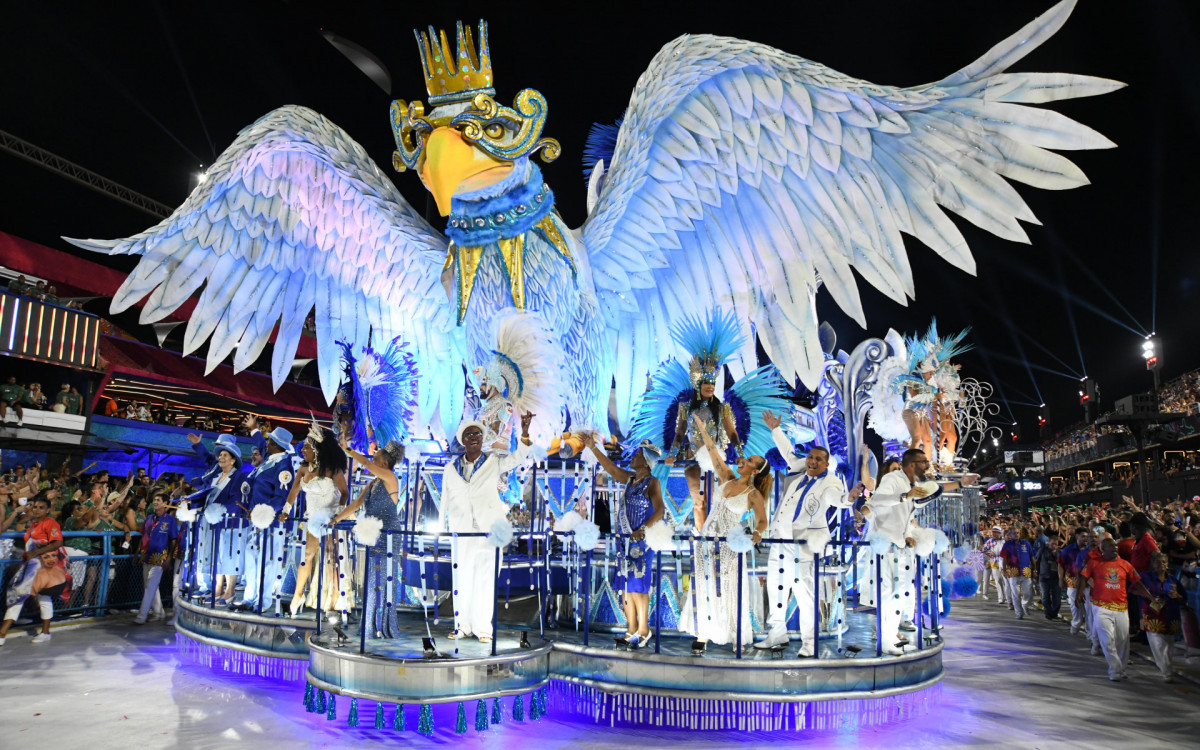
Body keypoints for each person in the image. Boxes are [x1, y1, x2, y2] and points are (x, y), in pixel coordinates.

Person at [757, 409, 862, 655]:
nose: (812, 462)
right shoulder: (800, 471)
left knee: (805, 594)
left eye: (818, 460)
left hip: (804, 545)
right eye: (810, 458)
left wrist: (849, 498)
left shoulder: (830, 482)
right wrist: (775, 429)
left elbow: (838, 498)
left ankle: (809, 643)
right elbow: (787, 452)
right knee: (776, 586)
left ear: (827, 464)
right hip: (780, 539)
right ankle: (777, 634)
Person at [439, 413, 535, 643]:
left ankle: (484, 628)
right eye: (469, 435)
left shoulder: (494, 461)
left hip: (488, 532)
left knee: (485, 579)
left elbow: (518, 457)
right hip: (461, 532)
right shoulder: (451, 468)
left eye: (478, 435)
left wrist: (524, 432)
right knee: (461, 579)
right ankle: (463, 626)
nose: (474, 438)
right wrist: (443, 526)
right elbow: (445, 500)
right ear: (463, 440)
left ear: (483, 439)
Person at [681, 413, 769, 655]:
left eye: (749, 460)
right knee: (703, 583)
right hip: (706, 541)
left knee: (729, 588)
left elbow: (762, 520)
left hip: (729, 546)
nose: (742, 460)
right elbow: (713, 452)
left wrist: (757, 534)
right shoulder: (727, 478)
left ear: (755, 470)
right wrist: (702, 429)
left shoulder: (753, 495)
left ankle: (735, 633)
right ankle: (702, 633)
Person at [582, 434, 665, 650]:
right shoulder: (629, 478)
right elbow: (610, 469)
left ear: (646, 461)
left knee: (639, 586)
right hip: (624, 541)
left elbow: (661, 510)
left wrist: (643, 529)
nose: (633, 456)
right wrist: (592, 447)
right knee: (626, 586)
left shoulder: (652, 482)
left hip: (641, 543)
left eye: (637, 454)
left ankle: (644, 630)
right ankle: (631, 629)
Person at [858, 448, 941, 655]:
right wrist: (904, 496)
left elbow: (905, 519)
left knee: (899, 595)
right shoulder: (893, 482)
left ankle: (891, 636)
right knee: (888, 595)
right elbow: (875, 503)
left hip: (900, 549)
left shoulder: (909, 485)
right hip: (884, 548)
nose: (927, 465)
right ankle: (886, 640)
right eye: (924, 462)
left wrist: (908, 535)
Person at [335, 437, 404, 638]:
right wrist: (337, 518)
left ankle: (384, 626)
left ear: (384, 462)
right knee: (373, 579)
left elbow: (364, 463)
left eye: (376, 455)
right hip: (374, 534)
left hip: (389, 533)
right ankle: (370, 626)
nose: (372, 457)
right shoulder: (373, 483)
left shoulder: (390, 477)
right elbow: (356, 504)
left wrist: (348, 449)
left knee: (385, 578)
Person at [279, 423, 348, 620]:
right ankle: (298, 596)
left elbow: (345, 493)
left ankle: (333, 600)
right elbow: (294, 491)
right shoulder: (302, 469)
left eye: (307, 447)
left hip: (330, 520)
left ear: (317, 450)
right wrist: (286, 510)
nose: (303, 449)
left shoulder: (332, 470)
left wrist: (338, 516)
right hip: (312, 520)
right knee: (307, 556)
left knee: (331, 558)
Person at [233, 428, 297, 613]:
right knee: (252, 560)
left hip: (270, 522)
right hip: (255, 520)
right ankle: (249, 598)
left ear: (276, 445)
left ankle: (263, 600)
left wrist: (263, 512)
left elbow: (281, 497)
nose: (265, 444)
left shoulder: (284, 466)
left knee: (267, 562)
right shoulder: (270, 461)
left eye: (269, 442)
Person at [1076, 537, 1154, 681]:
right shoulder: (1094, 563)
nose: (1115, 548)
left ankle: (1121, 670)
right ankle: (1115, 669)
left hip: (1121, 609)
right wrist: (1079, 593)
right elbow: (1083, 577)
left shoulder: (1126, 564)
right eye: (1111, 546)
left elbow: (1138, 583)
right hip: (1101, 608)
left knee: (1122, 642)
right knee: (1106, 640)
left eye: (1116, 546)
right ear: (1103, 549)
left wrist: (1150, 597)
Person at [184, 434, 247, 603]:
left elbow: (237, 500)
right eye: (219, 454)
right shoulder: (215, 475)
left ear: (233, 460)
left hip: (230, 524)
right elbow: (206, 494)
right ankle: (218, 589)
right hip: (214, 523)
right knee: (217, 556)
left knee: (229, 556)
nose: (219, 456)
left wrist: (220, 511)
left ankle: (230, 591)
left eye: (224, 454)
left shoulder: (239, 476)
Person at [0, 494, 69, 645]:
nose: (37, 510)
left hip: (42, 566)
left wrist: (37, 552)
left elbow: (57, 542)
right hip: (31, 564)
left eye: (41, 508)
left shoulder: (51, 523)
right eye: (35, 507)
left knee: (26, 594)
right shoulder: (34, 523)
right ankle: (5, 633)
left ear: (48, 510)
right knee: (22, 594)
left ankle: (4, 632)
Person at [133, 492, 179, 624]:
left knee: (150, 587)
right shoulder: (149, 518)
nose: (155, 502)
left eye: (158, 500)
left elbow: (174, 540)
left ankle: (141, 616)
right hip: (145, 555)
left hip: (160, 558)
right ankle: (159, 612)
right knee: (149, 586)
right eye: (154, 500)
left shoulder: (170, 520)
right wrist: (137, 552)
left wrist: (169, 558)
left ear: (165, 504)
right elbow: (144, 536)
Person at [1140, 550, 1183, 682]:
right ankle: (1166, 672)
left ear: (1168, 564)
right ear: (1153, 564)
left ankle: (1167, 669)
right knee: (1158, 645)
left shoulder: (1173, 580)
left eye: (1164, 562)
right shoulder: (1145, 577)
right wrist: (1141, 616)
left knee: (1169, 646)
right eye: (1158, 562)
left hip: (1171, 616)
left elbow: (1183, 598)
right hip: (1153, 616)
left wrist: (1178, 596)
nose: (1161, 565)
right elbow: (1138, 594)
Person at [1059, 527, 1091, 635]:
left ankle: (1089, 633)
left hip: (1087, 584)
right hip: (1072, 583)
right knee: (1075, 606)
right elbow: (1061, 564)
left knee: (1088, 609)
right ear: (1077, 536)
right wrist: (1061, 579)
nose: (1085, 538)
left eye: (1087, 536)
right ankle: (1076, 623)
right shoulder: (1068, 549)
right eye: (1083, 536)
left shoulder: (1091, 551)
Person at [1001, 527, 1035, 619]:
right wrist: (1004, 570)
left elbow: (1032, 557)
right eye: (1014, 533)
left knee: (1028, 593)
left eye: (1018, 533)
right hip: (1013, 572)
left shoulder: (1026, 543)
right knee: (1016, 594)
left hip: (1026, 572)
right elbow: (1004, 558)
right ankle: (1019, 613)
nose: (1016, 534)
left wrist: (1035, 570)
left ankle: (1024, 604)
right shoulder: (1007, 545)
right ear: (1011, 535)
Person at [1037, 534, 1062, 621]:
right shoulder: (1043, 550)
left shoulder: (1059, 552)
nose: (1054, 546)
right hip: (1044, 576)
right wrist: (1035, 572)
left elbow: (1061, 564)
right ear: (1049, 543)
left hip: (1055, 577)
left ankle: (1054, 613)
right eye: (1052, 544)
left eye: (1056, 544)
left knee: (1057, 597)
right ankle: (1048, 612)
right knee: (1045, 596)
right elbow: (1037, 561)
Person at [981, 526, 1006, 604]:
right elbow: (983, 549)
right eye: (993, 532)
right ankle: (1001, 597)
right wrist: (988, 553)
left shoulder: (1004, 542)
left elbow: (1005, 553)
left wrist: (995, 554)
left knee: (1006, 581)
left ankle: (1008, 597)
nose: (994, 534)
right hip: (994, 563)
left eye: (996, 532)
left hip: (1004, 564)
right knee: (998, 580)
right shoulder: (989, 541)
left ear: (1000, 533)